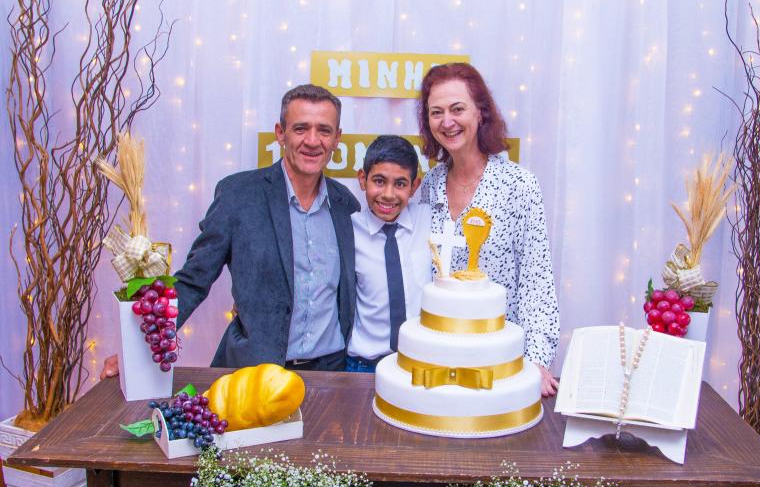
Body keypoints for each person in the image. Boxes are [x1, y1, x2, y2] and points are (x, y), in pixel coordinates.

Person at [102, 84, 359, 376]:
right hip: (254, 372)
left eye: (324, 130)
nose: (313, 141)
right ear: (280, 133)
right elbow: (193, 281)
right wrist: (136, 349)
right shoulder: (238, 196)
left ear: (337, 138)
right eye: (301, 128)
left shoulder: (345, 205)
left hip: (331, 373)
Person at [416, 63, 560, 396]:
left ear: (481, 112)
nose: (447, 121)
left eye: (457, 109)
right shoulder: (429, 187)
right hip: (436, 364)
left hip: (500, 366)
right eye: (436, 112)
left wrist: (536, 362)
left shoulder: (518, 185)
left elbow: (536, 281)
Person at [347, 135, 431, 372]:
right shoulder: (348, 229)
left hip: (418, 364)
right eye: (379, 181)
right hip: (362, 364)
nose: (388, 194)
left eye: (400, 184)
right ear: (362, 179)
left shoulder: (428, 220)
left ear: (415, 186)